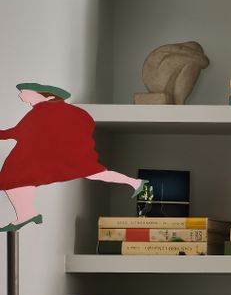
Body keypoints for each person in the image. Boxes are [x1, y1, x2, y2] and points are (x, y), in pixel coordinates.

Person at [0, 82, 151, 232]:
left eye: (25, 92)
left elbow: (17, 133)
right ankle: (135, 183)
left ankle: (27, 214)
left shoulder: (43, 111)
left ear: (48, 96)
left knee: (15, 179)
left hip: (61, 157)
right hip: (63, 156)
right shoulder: (61, 110)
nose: (21, 95)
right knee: (95, 174)